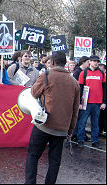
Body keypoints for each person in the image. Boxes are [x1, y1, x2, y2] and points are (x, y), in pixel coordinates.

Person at [24, 51, 80, 184]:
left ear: (53, 62)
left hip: (44, 124)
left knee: (33, 155)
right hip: (61, 128)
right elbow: (75, 109)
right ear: (65, 63)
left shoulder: (47, 75)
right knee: (54, 161)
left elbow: (34, 93)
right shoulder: (74, 82)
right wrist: (70, 130)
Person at [76, 55, 106, 148]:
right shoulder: (83, 73)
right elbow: (80, 88)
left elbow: (105, 88)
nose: (95, 63)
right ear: (90, 61)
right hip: (86, 102)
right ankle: (80, 140)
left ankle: (95, 140)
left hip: (97, 103)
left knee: (95, 123)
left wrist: (104, 102)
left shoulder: (101, 73)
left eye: (97, 61)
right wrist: (80, 102)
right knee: (82, 122)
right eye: (94, 61)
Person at [71, 56, 90, 142]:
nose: (88, 64)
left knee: (81, 116)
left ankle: (80, 134)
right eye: (87, 62)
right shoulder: (77, 71)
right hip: (78, 96)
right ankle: (74, 134)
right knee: (78, 116)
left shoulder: (85, 71)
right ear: (83, 62)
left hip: (84, 96)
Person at [98, 63, 106, 136]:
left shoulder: (103, 75)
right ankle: (100, 130)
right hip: (100, 99)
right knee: (100, 116)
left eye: (101, 66)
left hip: (103, 99)